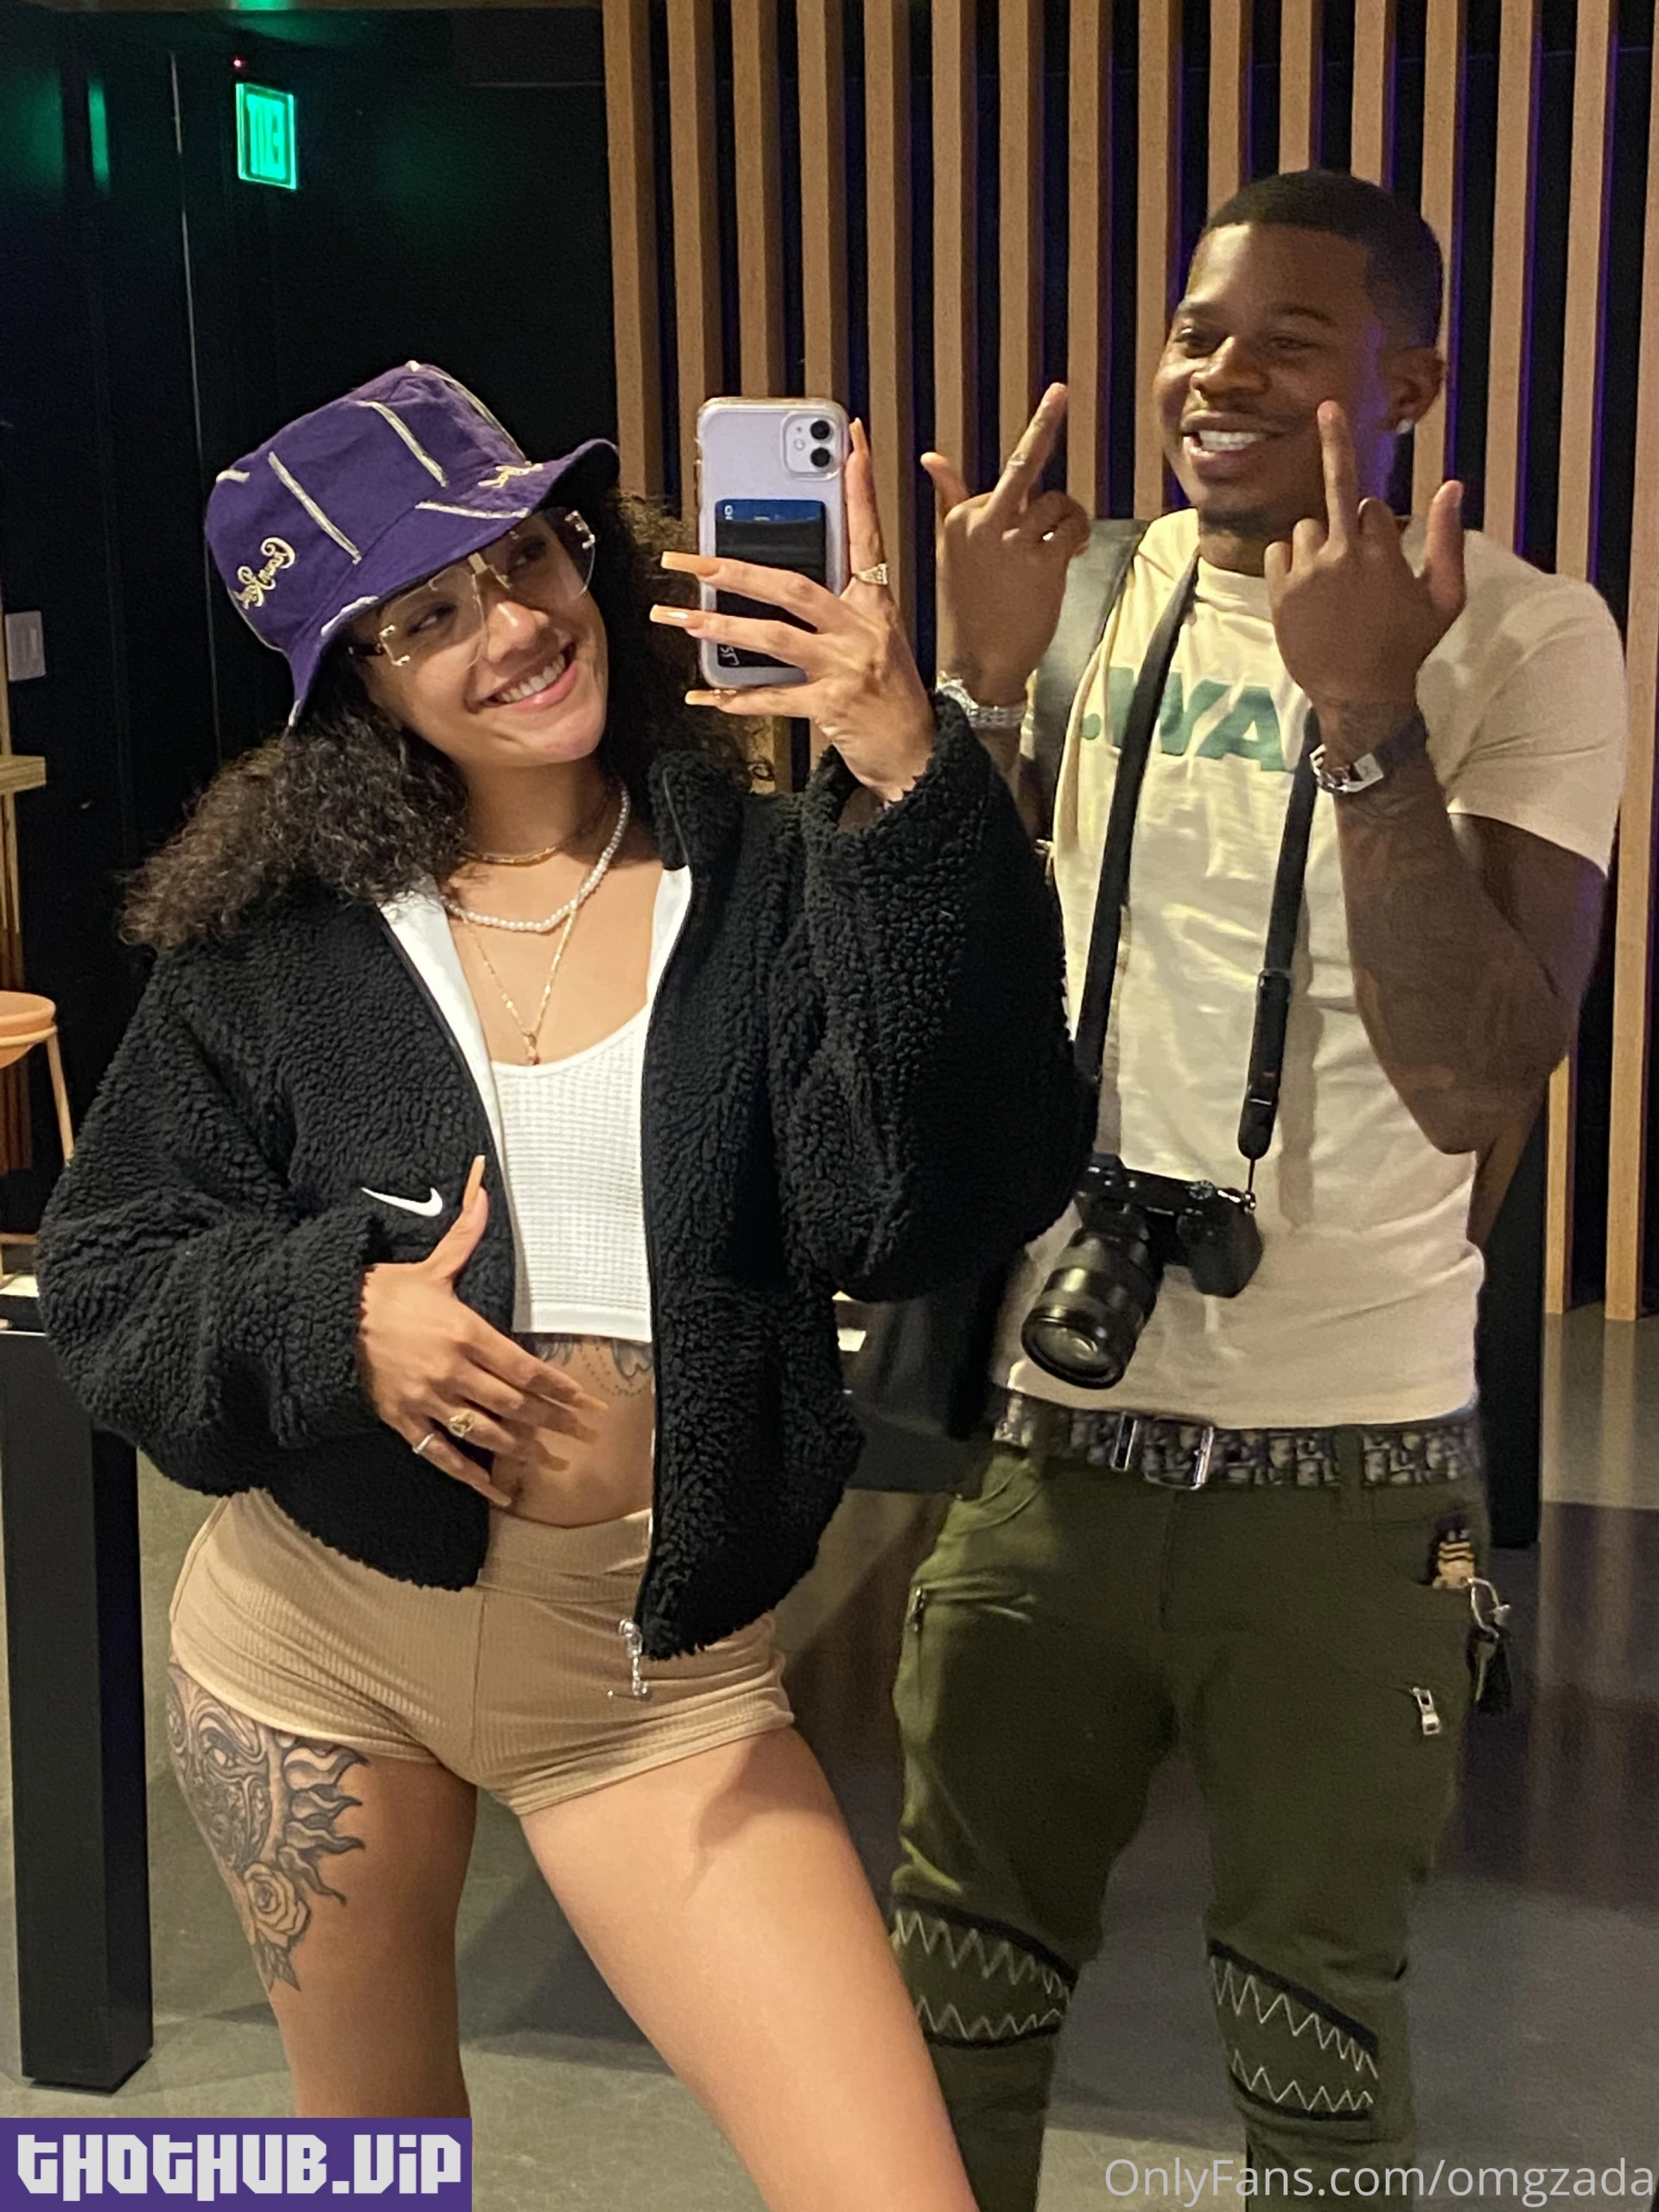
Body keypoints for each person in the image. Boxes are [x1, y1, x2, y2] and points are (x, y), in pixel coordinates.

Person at [37, 362, 1089, 2204]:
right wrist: (335, 1315)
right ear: (356, 683)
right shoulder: (277, 944)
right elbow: (109, 1270)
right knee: (378, 2168)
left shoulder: (763, 880)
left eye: (527, 555)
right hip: (312, 1647)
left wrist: (913, 767)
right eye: (426, 614)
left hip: (652, 1686)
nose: (514, 623)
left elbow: (935, 1204)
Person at [891, 170, 1627, 2204]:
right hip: (1054, 1429)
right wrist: (980, 694)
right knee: (953, 2003)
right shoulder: (1084, 589)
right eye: (1197, 332)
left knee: (1323, 2036)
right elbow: (965, 976)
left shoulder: (1528, 633)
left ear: (1414, 384)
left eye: (1289, 343)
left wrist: (1369, 720)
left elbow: (1483, 1070)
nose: (1217, 376)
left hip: (1361, 1478)